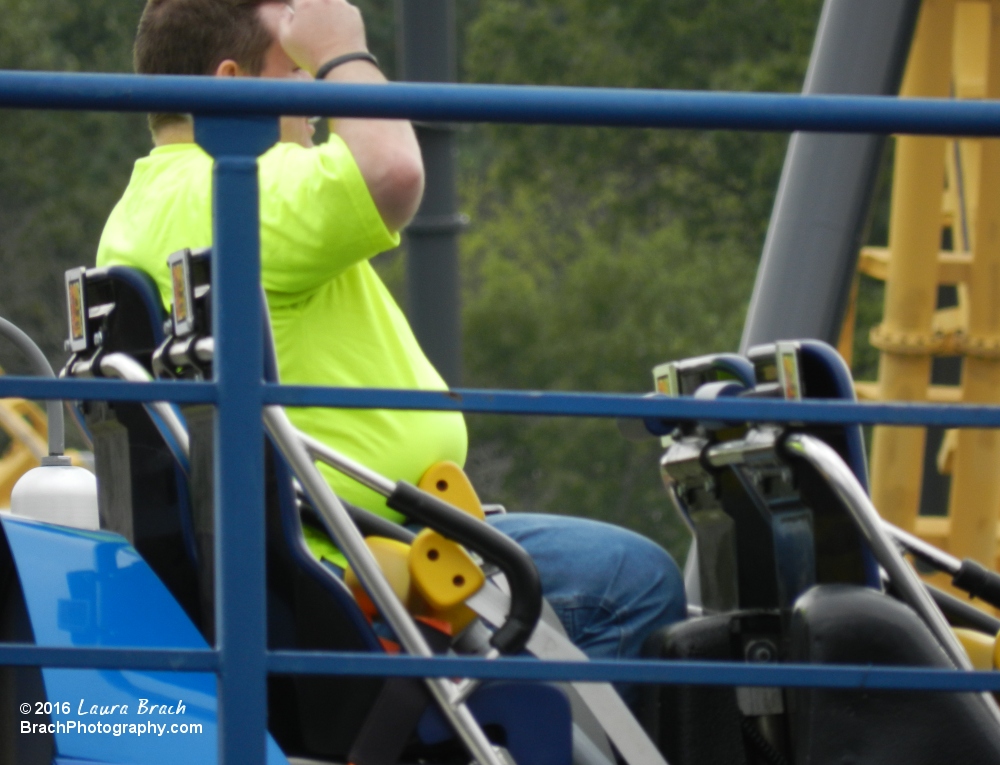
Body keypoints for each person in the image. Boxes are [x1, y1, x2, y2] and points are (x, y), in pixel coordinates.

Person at [97, 0, 684, 666]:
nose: (320, 98)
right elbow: (392, 173)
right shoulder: (231, 184)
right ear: (234, 85)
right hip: (371, 560)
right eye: (301, 71)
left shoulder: (145, 207)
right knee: (633, 582)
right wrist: (346, 51)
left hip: (346, 541)